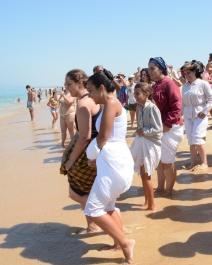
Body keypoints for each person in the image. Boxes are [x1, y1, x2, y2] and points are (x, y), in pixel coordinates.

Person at [85, 72, 135, 264]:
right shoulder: (109, 105)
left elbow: (104, 137)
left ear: (101, 88)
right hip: (112, 160)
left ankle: (125, 242)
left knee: (92, 209)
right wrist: (97, 158)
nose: (90, 95)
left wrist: (91, 155)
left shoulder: (112, 103)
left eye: (91, 91)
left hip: (113, 161)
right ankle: (118, 244)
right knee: (109, 206)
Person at [60, 69, 103, 236]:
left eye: (69, 84)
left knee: (76, 192)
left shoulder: (83, 103)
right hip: (94, 150)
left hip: (88, 152)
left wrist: (71, 160)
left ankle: (101, 221)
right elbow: (80, 133)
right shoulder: (90, 100)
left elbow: (84, 136)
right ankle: (94, 224)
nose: (67, 88)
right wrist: (67, 149)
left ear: (79, 82)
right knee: (88, 190)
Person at [149, 57, 184, 196]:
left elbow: (177, 106)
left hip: (170, 127)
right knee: (159, 161)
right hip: (159, 127)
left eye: (153, 68)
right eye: (149, 68)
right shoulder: (154, 86)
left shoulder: (169, 83)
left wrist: (167, 124)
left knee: (168, 161)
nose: (150, 71)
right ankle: (160, 187)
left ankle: (169, 190)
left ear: (161, 68)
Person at [129, 82, 163, 210]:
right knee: (143, 175)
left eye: (138, 94)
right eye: (134, 94)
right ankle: (147, 201)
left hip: (151, 143)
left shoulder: (151, 108)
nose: (135, 96)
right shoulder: (141, 107)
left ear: (146, 93)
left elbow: (158, 128)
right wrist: (140, 131)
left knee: (147, 174)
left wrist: (143, 131)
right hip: (143, 141)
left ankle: (152, 205)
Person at [181, 61, 212, 171]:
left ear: (195, 71)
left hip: (200, 114)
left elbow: (211, 98)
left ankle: (204, 162)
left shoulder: (203, 83)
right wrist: (180, 115)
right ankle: (193, 162)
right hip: (188, 115)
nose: (186, 75)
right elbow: (183, 102)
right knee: (191, 139)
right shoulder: (184, 86)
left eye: (188, 73)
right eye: (185, 73)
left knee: (198, 137)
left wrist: (205, 111)